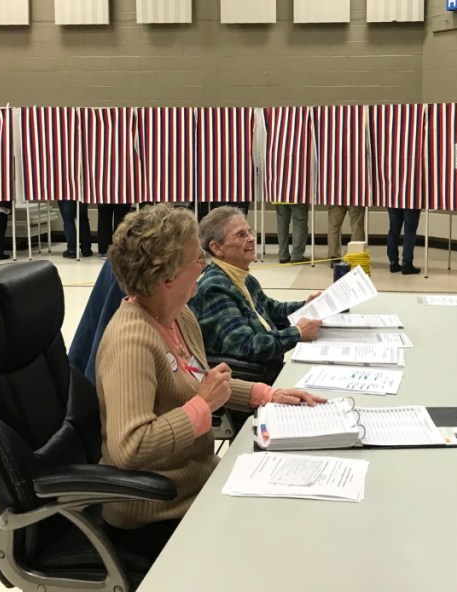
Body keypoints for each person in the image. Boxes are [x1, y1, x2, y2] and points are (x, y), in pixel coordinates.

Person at [95, 204, 325, 554]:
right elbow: (131, 448)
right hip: (157, 512)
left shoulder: (180, 317)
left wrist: (268, 394)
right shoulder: (132, 341)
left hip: (197, 486)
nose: (204, 268)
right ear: (167, 276)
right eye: (197, 261)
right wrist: (201, 406)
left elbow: (203, 384)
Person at [190, 206, 321, 363]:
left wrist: (306, 305)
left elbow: (271, 309)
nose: (251, 238)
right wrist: (297, 333)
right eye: (241, 235)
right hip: (251, 377)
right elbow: (247, 346)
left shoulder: (243, 276)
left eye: (249, 232)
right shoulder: (215, 288)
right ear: (217, 248)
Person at [386, 207, 421, 274]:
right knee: (410, 230)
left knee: (393, 230)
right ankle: (407, 264)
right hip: (411, 200)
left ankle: (393, 263)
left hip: (393, 199)